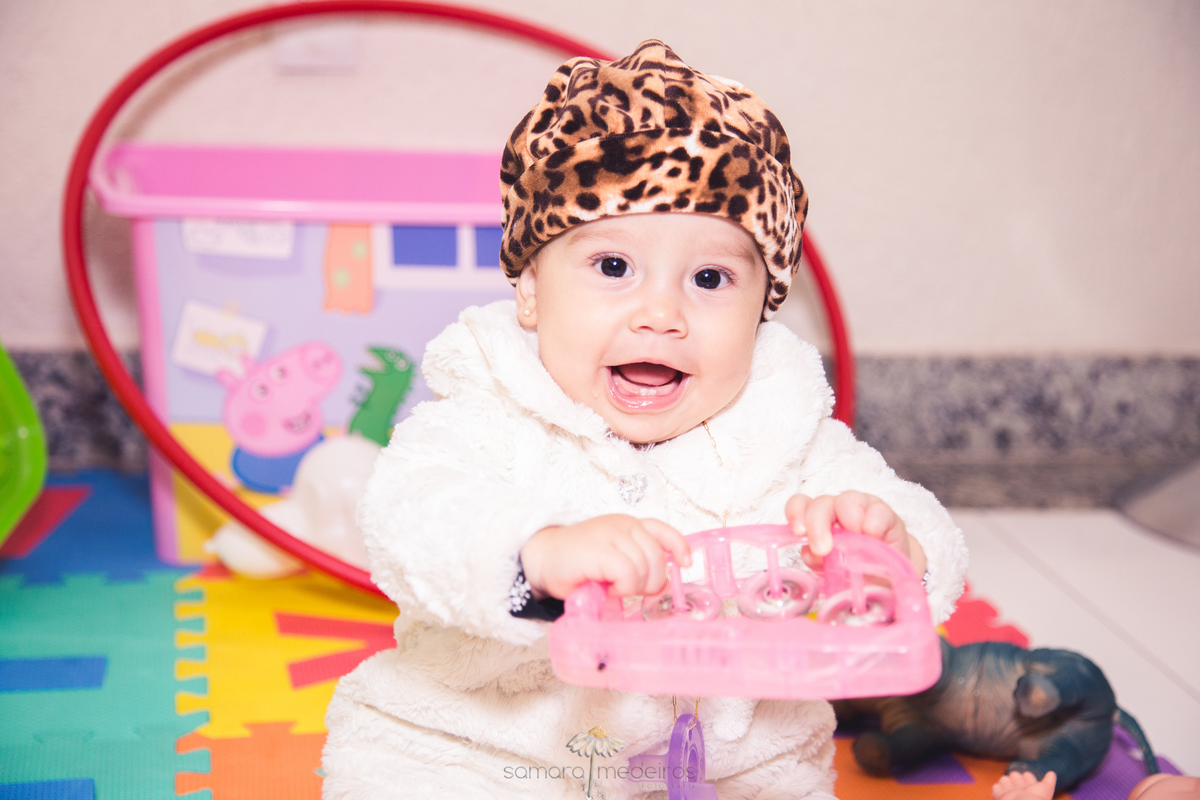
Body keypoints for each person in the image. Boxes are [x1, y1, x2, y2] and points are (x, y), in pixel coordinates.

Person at [322, 39, 968, 800]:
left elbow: (926, 536)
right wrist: (534, 556)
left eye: (709, 278)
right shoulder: (485, 416)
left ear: (761, 313)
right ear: (530, 290)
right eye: (614, 267)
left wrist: (892, 547)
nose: (661, 314)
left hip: (734, 765)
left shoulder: (788, 437)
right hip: (489, 747)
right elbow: (409, 516)